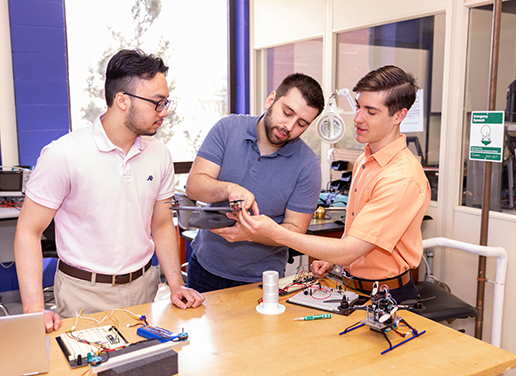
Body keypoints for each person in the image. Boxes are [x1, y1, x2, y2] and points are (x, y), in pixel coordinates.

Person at [14, 49, 205, 332]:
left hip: (144, 287)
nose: (164, 112)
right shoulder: (63, 154)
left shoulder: (159, 154)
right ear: (122, 100)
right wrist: (33, 309)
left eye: (166, 102)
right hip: (84, 293)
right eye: (157, 103)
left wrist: (176, 284)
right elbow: (28, 230)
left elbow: (163, 224)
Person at [238, 65, 431, 304]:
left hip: (389, 297)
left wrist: (277, 233)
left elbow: (351, 249)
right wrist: (334, 259)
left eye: (370, 112)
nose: (358, 118)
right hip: (354, 286)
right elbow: (358, 236)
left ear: (399, 116)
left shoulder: (401, 178)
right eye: (358, 106)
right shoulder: (365, 160)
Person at [184, 73, 325, 293]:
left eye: (301, 123)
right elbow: (194, 187)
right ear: (271, 100)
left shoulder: (308, 165)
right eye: (287, 113)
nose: (289, 126)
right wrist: (230, 188)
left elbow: (295, 232)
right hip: (204, 268)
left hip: (261, 282)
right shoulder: (227, 128)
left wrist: (252, 234)